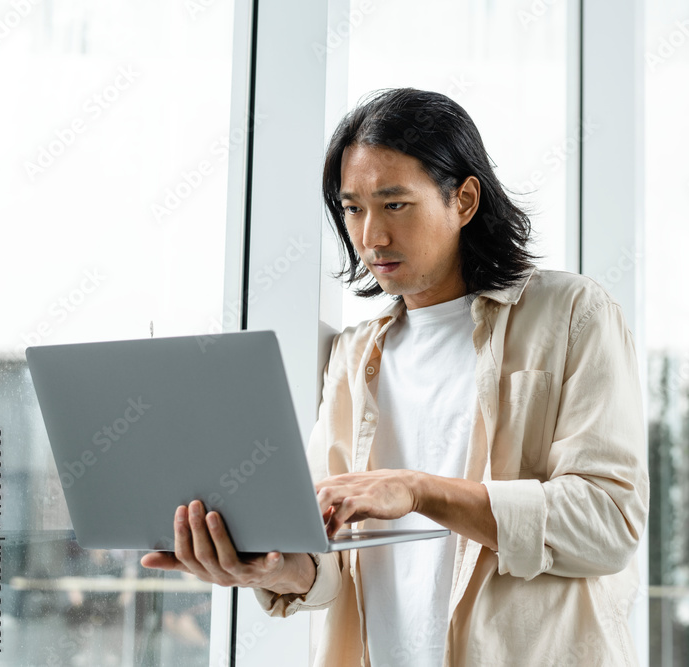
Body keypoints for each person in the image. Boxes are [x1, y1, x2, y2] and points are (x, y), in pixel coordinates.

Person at [141, 87, 649, 666]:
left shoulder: (571, 314)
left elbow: (608, 524)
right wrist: (272, 566)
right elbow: (327, 555)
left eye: (394, 204)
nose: (370, 237)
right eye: (353, 208)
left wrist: (417, 489)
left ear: (463, 199)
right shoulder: (354, 355)